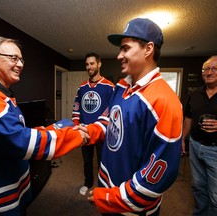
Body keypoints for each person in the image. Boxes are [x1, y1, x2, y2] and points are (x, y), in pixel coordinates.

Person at [0, 36, 89, 216]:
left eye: (21, 59)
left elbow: (16, 133)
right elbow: (22, 141)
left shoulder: (2, 94)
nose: (20, 64)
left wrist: (58, 128)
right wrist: (76, 136)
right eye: (13, 58)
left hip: (13, 186)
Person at [75, 18, 183, 215]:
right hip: (108, 185)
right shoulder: (122, 86)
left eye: (125, 49)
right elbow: (109, 119)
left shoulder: (165, 101)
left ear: (148, 49)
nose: (119, 56)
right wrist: (88, 131)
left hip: (131, 206)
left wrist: (110, 197)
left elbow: (157, 176)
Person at [72, 52, 114, 195]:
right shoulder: (82, 87)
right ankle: (88, 182)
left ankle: (102, 186)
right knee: (87, 160)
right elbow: (76, 107)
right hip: (85, 131)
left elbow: (113, 109)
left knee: (103, 161)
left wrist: (101, 126)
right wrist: (76, 125)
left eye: (92, 63)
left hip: (102, 132)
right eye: (87, 64)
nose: (89, 67)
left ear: (99, 64)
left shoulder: (109, 87)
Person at [182, 56, 217, 216]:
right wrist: (182, 138)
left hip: (215, 150)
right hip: (195, 146)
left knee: (215, 194)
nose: (209, 72)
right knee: (198, 186)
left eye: (214, 68)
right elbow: (188, 118)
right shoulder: (195, 94)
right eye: (206, 69)